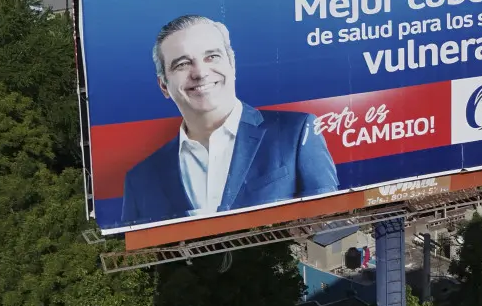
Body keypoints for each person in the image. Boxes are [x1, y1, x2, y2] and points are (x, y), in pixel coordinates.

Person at [120, 14, 338, 225]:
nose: (200, 72)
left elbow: (329, 223)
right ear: (164, 86)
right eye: (182, 64)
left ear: (232, 64)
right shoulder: (140, 179)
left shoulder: (296, 133)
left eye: (211, 57)